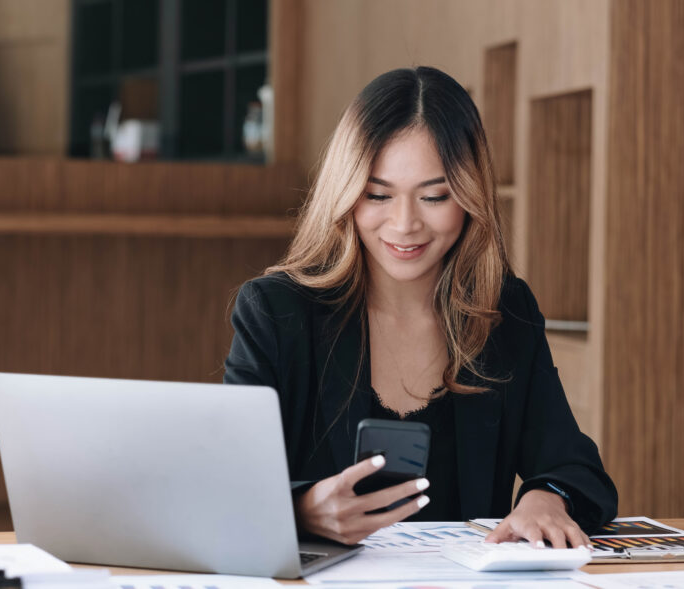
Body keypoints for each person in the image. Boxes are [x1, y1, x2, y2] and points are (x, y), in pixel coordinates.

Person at [224, 66, 617, 549]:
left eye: (434, 196)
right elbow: (228, 485)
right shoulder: (277, 311)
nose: (405, 223)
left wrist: (545, 498)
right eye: (378, 195)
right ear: (345, 193)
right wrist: (303, 511)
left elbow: (573, 467)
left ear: (470, 195)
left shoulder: (504, 311)